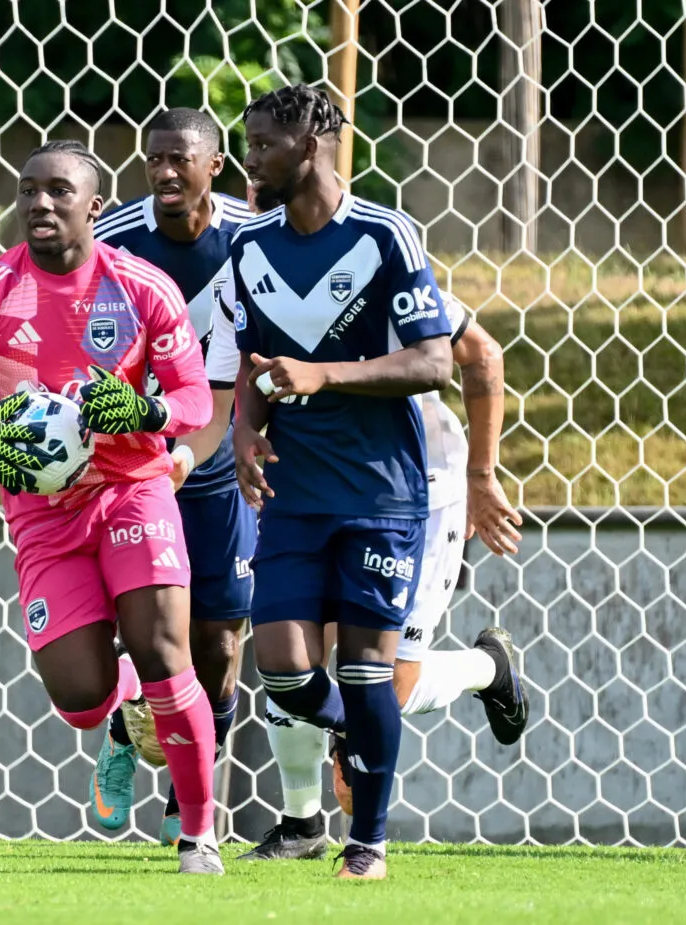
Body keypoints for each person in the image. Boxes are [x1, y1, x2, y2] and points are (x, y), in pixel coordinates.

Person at [0, 140, 224, 874]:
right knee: (79, 696)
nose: (39, 205)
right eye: (28, 192)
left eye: (57, 191)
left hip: (132, 491)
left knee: (167, 653)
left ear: (95, 207)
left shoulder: (142, 287)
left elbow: (195, 398)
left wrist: (142, 409)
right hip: (44, 511)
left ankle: (199, 834)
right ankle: (119, 719)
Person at [228, 84, 452, 880]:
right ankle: (361, 737)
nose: (249, 160)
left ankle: (370, 843)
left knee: (365, 670)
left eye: (261, 144)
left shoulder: (386, 233)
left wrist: (324, 375)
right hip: (291, 493)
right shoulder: (250, 247)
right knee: (284, 669)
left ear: (310, 146)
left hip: (379, 493)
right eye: (248, 144)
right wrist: (244, 427)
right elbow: (253, 366)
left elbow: (435, 361)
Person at [240, 289, 531, 861]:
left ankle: (486, 668)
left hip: (421, 488)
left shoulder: (386, 268)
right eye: (254, 192)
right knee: (294, 656)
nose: (260, 198)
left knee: (378, 687)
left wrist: (481, 474)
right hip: (317, 486)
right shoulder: (260, 269)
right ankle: (301, 824)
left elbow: (483, 353)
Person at [86, 108, 256, 847]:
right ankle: (153, 771)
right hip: (128, 471)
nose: (164, 173)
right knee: (143, 636)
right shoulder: (115, 239)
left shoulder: (254, 237)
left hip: (214, 463)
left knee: (219, 642)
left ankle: (191, 791)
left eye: (180, 160)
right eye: (154, 160)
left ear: (213, 166)